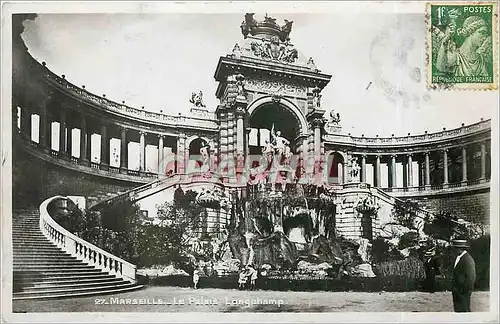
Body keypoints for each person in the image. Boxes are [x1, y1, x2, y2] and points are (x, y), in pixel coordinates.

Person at [451, 238, 476, 312]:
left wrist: (464, 291)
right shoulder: (460, 258)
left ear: (460, 249)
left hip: (463, 293)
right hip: (458, 292)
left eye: (455, 248)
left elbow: (471, 278)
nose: (453, 250)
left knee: (464, 311)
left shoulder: (467, 259)